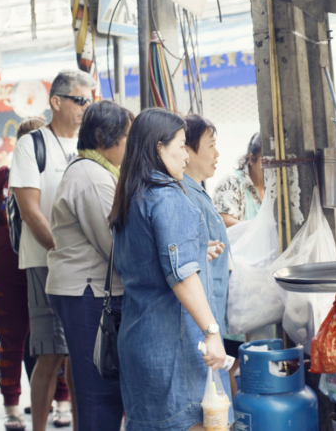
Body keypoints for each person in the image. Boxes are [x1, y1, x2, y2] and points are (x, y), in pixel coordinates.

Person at [109, 109, 228, 431]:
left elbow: (145, 259)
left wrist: (196, 249)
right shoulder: (166, 197)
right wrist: (212, 332)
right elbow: (183, 278)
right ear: (158, 148)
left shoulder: (132, 196)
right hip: (173, 345)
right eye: (180, 146)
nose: (185, 157)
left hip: (139, 340)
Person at [9, 70, 94, 430]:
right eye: (79, 100)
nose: (84, 108)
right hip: (47, 262)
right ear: (56, 102)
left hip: (86, 266)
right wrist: (62, 252)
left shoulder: (88, 144)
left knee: (81, 352)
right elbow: (30, 210)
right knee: (51, 352)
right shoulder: (31, 145)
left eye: (89, 101)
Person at [47, 101, 134, 431]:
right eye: (127, 136)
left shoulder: (95, 170)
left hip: (90, 291)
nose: (130, 144)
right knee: (99, 390)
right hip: (87, 292)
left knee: (102, 387)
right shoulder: (91, 176)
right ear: (105, 138)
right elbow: (114, 245)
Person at [0, 117, 58, 431]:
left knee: (54, 341)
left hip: (48, 270)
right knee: (11, 340)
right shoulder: (3, 177)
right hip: (6, 274)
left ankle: (60, 403)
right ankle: (11, 406)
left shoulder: (55, 172)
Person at [181, 114, 233, 419]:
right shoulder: (184, 196)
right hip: (200, 324)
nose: (217, 154)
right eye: (210, 146)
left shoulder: (198, 191)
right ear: (185, 151)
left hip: (210, 317)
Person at [214, 132, 264, 228]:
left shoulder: (277, 187)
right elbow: (223, 220)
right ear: (252, 159)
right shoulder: (231, 182)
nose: (269, 167)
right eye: (264, 161)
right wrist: (258, 230)